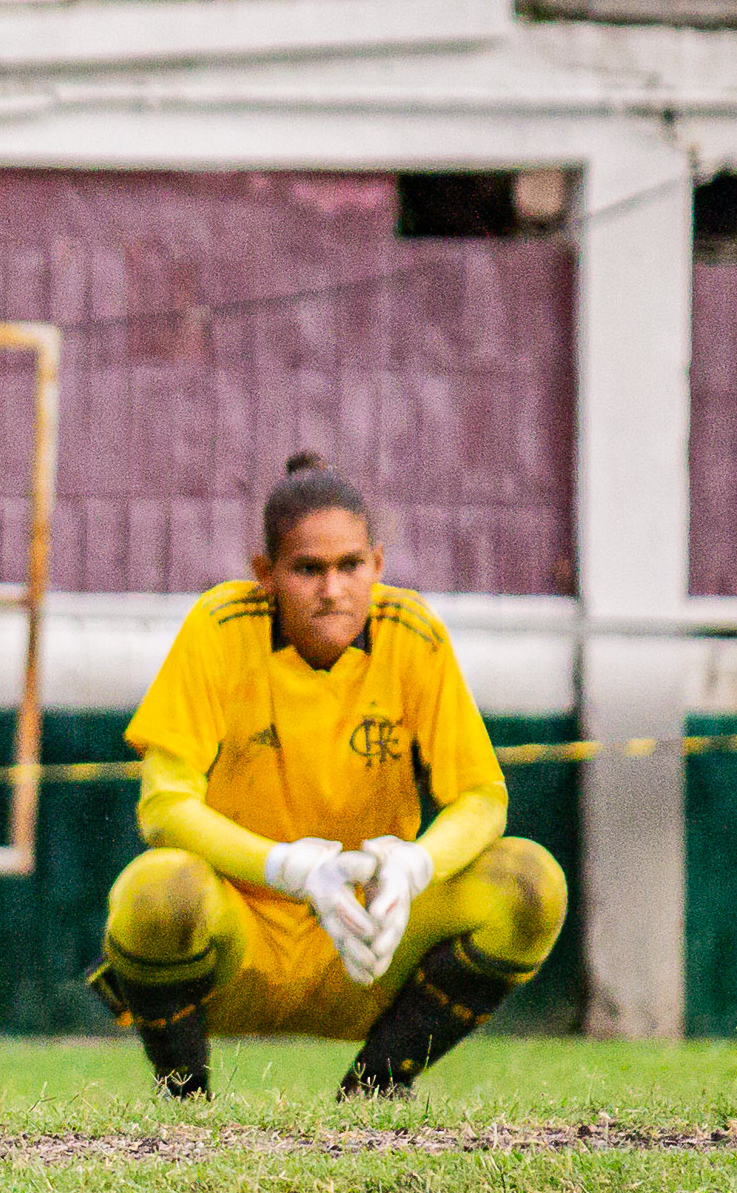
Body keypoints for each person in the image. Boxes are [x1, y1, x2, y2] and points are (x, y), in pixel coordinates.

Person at [90, 454, 568, 1099]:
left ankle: (374, 1092)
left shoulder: (413, 634)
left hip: (370, 942)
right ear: (266, 575)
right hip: (239, 943)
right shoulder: (219, 627)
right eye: (307, 569)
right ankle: (185, 1102)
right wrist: (290, 869)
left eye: (350, 566)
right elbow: (164, 806)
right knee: (156, 892)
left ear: (378, 565)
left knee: (529, 883)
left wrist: (415, 867)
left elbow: (482, 797)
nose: (332, 590)